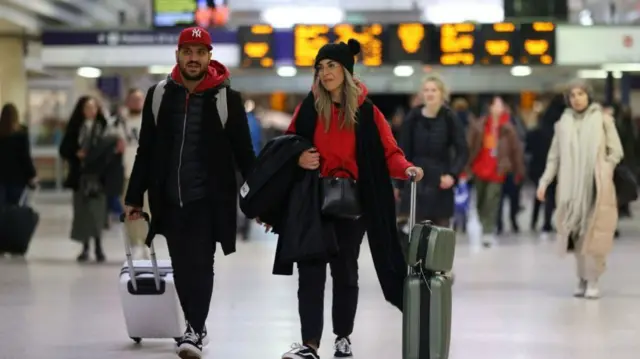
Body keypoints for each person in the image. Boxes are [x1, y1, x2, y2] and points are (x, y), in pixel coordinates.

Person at [280, 39, 423, 359]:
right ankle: (310, 345)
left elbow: (390, 154)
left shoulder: (368, 113)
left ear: (346, 70)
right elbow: (287, 148)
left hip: (353, 203)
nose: (325, 72)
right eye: (320, 67)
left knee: (345, 271)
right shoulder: (308, 109)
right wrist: (299, 158)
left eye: (331, 65)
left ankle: (342, 336)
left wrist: (408, 168)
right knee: (311, 271)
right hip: (314, 201)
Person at [123, 26, 256, 359]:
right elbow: (145, 150)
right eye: (187, 51)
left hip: (208, 200)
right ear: (178, 55)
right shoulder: (158, 95)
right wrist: (134, 197)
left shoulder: (227, 99)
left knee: (201, 263)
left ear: (210, 57)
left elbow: (245, 156)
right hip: (169, 198)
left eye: (200, 52)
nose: (193, 58)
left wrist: (261, 203)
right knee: (182, 265)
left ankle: (195, 328)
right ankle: (196, 327)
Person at [537, 79, 623, 299]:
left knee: (592, 235)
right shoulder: (562, 124)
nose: (577, 99)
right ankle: (582, 277)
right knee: (575, 235)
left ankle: (593, 279)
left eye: (580, 94)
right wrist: (544, 181)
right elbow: (554, 158)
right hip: (569, 189)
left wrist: (606, 168)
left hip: (595, 185)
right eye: (573, 95)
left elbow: (616, 151)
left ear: (588, 96)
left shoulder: (603, 120)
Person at [59, 96, 125, 262]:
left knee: (97, 213)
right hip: (80, 177)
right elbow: (64, 149)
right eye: (87, 108)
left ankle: (98, 246)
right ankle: (85, 247)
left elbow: (111, 151)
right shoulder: (74, 129)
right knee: (82, 213)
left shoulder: (104, 128)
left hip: (98, 177)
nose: (91, 111)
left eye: (94, 108)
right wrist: (76, 153)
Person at [397, 74, 468, 227]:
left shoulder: (450, 118)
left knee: (441, 234)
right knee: (418, 234)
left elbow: (462, 151)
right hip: (418, 181)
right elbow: (402, 151)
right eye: (426, 90)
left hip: (441, 180)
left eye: (434, 90)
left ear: (442, 93)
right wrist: (399, 184)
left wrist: (452, 175)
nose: (429, 93)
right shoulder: (413, 117)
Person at [467, 96, 525, 247]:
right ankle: (482, 221)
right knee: (479, 200)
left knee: (492, 200)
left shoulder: (508, 128)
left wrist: (519, 170)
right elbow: (470, 146)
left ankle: (487, 231)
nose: (499, 108)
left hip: (498, 169)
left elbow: (516, 150)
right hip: (479, 168)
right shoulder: (480, 125)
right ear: (490, 107)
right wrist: (465, 167)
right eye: (496, 105)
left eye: (501, 105)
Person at [0, 103, 37, 208]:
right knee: (17, 209)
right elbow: (25, 158)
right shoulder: (21, 134)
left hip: (1, 179)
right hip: (18, 180)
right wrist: (32, 175)